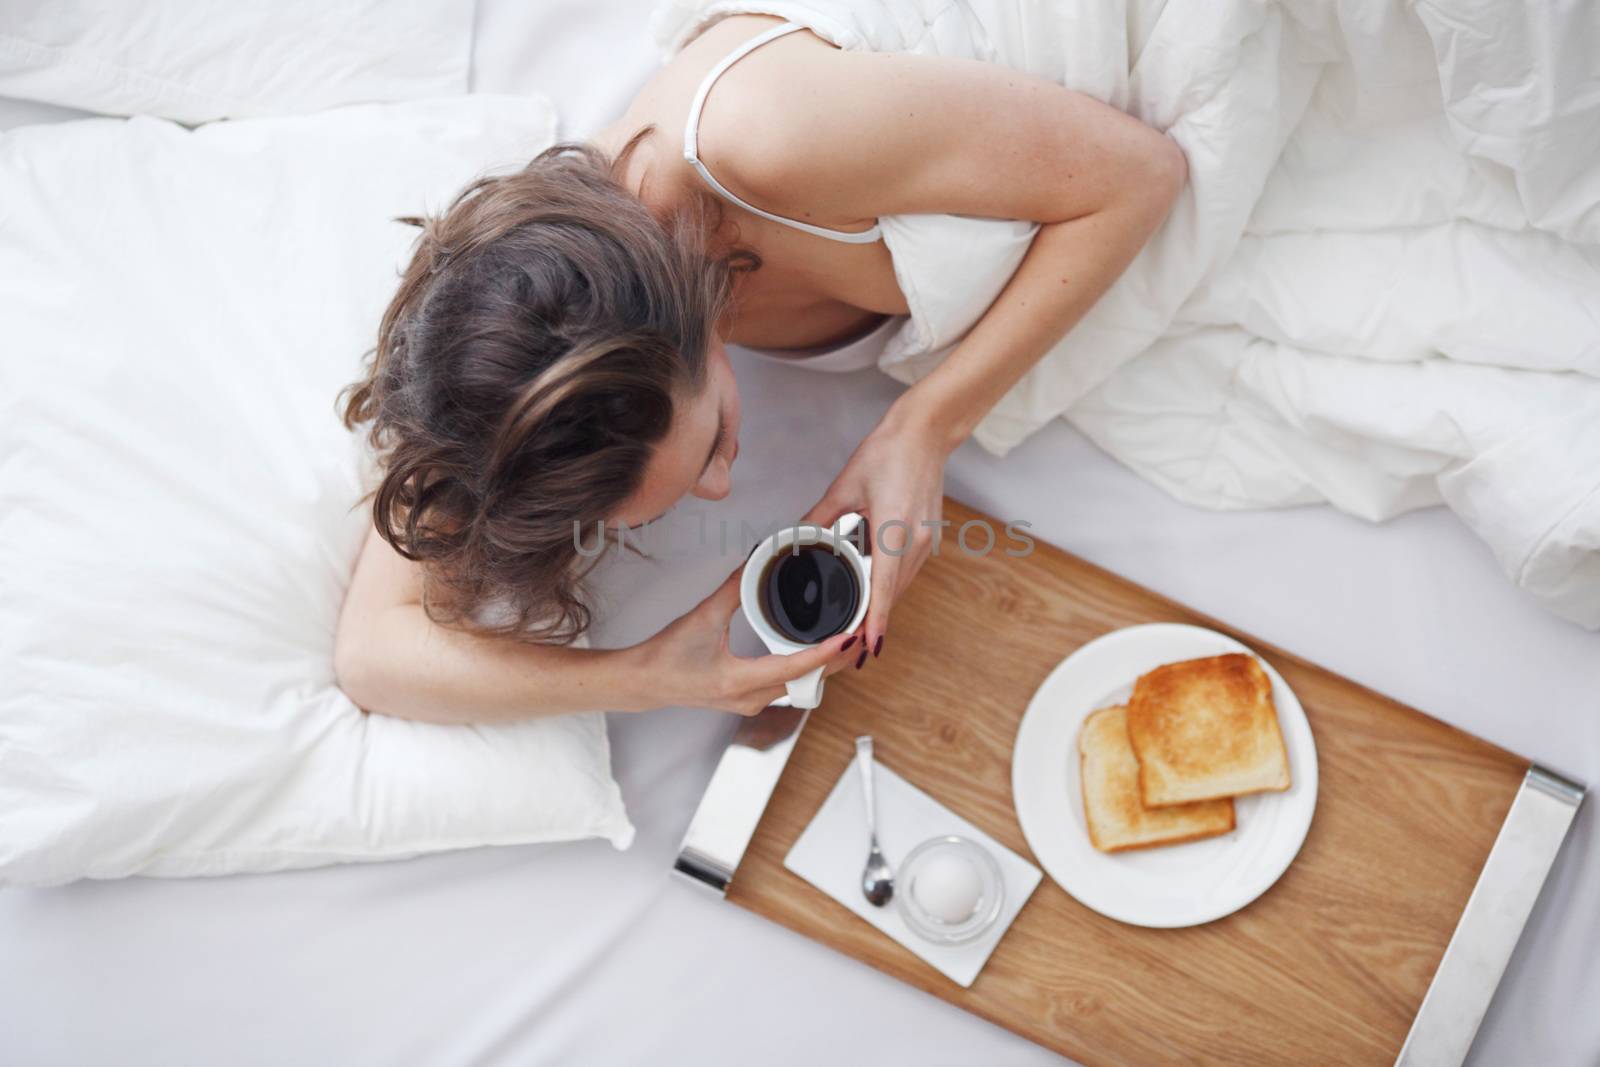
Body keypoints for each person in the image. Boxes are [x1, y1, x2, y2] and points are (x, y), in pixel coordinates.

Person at [333, 12, 1186, 722]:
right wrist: (649, 677)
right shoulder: (516, 357)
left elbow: (1142, 174)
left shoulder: (769, 137)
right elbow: (372, 656)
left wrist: (926, 426)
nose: (718, 490)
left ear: (689, 313)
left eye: (707, 449)